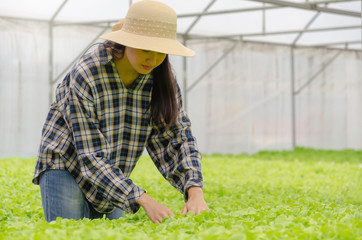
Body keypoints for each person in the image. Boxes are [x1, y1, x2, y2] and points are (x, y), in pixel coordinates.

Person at [32, 0, 209, 223]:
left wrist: (194, 191)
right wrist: (144, 199)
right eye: (146, 49)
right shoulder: (88, 73)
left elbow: (176, 137)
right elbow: (90, 155)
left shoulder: (162, 80)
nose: (153, 60)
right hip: (67, 165)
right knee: (67, 236)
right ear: (126, 43)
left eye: (161, 52)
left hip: (112, 170)